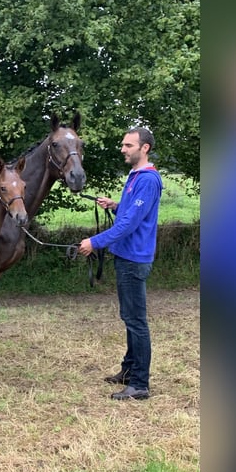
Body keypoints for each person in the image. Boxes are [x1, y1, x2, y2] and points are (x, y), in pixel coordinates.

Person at [78, 127, 163, 400]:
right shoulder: (136, 176)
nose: (123, 149)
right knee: (129, 318)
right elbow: (129, 212)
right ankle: (128, 371)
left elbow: (128, 224)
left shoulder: (148, 180)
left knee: (136, 321)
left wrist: (95, 242)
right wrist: (115, 204)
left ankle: (139, 384)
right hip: (127, 256)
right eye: (123, 145)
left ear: (144, 148)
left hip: (133, 258)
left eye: (128, 145)